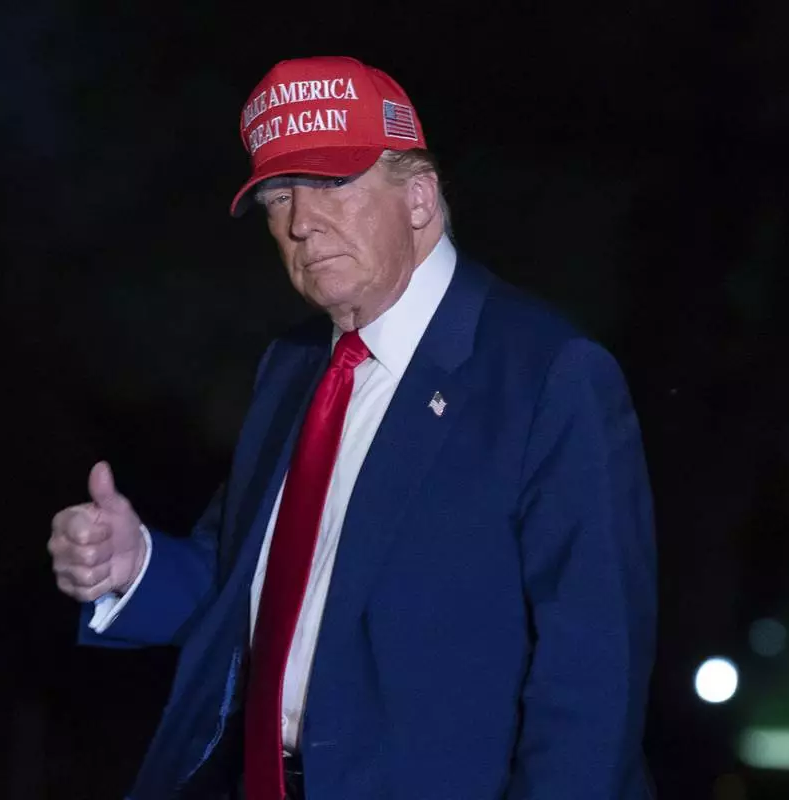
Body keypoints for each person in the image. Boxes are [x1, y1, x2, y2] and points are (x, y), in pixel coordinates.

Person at [48, 55, 657, 800]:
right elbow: (252, 583)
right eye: (277, 196)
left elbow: (595, 672)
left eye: (332, 182)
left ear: (420, 199)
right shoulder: (293, 366)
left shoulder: (549, 375)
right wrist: (134, 566)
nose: (300, 222)